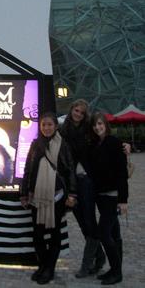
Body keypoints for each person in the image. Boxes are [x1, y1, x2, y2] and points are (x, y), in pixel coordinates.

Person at [20, 112, 77, 285]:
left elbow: (70, 170)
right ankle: (43, 265)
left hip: (57, 196)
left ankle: (50, 269)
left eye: (50, 125)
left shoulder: (63, 145)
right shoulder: (36, 144)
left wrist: (72, 194)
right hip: (37, 196)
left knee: (54, 233)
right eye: (43, 125)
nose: (46, 128)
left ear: (56, 126)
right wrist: (24, 193)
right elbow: (28, 169)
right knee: (37, 234)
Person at [60, 99, 106, 277]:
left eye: (81, 112)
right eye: (76, 111)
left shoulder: (88, 130)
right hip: (71, 182)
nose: (78, 114)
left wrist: (123, 147)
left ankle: (86, 265)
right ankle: (100, 257)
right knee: (81, 221)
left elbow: (104, 140)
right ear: (72, 110)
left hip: (86, 181)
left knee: (89, 221)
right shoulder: (63, 130)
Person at [88, 112, 128, 285]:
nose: (97, 127)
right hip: (101, 196)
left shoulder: (114, 142)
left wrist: (123, 199)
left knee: (103, 233)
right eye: (95, 125)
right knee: (114, 233)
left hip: (112, 196)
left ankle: (117, 272)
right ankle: (114, 269)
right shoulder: (96, 143)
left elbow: (122, 173)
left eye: (100, 124)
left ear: (105, 124)